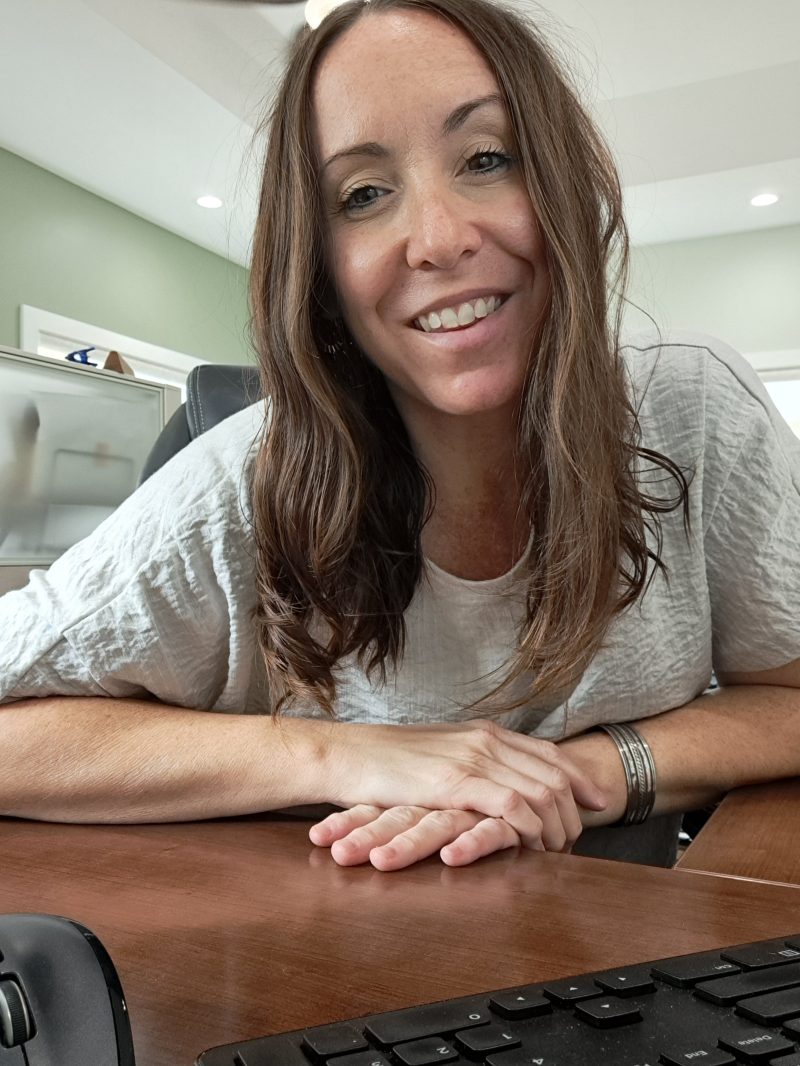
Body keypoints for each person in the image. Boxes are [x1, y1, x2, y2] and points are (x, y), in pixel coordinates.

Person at [1, 0, 799, 873]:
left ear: (563, 184)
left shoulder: (695, 407)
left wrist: (585, 774)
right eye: (364, 194)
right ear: (318, 265)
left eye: (487, 159)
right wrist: (342, 756)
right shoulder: (238, 484)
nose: (440, 240)